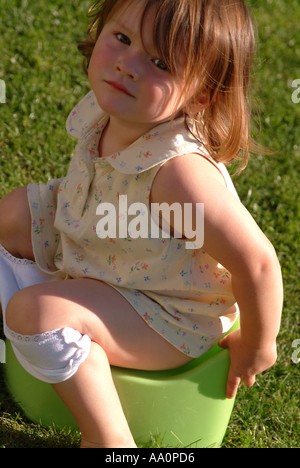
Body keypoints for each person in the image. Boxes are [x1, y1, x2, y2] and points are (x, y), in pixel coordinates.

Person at [0, 0, 283, 448]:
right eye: (122, 38)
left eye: (159, 63)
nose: (127, 66)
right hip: (109, 244)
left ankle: (110, 440)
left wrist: (257, 345)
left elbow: (259, 262)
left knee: (36, 314)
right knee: (13, 212)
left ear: (200, 95)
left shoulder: (179, 175)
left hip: (161, 309)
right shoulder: (110, 106)